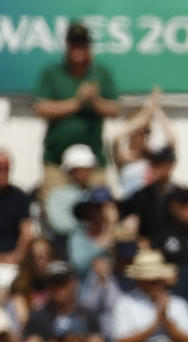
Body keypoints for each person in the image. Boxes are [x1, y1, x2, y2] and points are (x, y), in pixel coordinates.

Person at [32, 22, 120, 199]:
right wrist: (76, 103)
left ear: (89, 46)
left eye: (82, 44)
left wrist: (95, 101)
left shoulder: (101, 73)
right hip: (57, 161)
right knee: (56, 212)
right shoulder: (52, 72)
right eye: (74, 43)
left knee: (100, 209)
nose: (77, 49)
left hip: (93, 163)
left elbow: (115, 109)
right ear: (67, 45)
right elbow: (41, 107)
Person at [22, 260, 112, 342]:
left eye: (63, 282)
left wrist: (79, 341)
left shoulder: (87, 313)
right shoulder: (38, 315)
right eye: (53, 283)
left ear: (74, 283)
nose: (58, 288)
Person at [109, 250, 188, 342]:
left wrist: (166, 321)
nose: (154, 284)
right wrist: (154, 325)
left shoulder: (178, 304)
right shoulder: (125, 304)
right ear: (139, 281)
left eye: (156, 280)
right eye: (148, 280)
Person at [112, 87, 177, 199]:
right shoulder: (124, 156)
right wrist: (145, 114)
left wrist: (156, 110)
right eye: (138, 133)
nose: (142, 137)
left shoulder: (152, 154)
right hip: (131, 204)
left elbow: (172, 140)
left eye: (146, 133)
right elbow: (116, 138)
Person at [0, 149, 35, 265]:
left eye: (6, 168)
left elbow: (27, 232)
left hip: (14, 257)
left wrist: (16, 257)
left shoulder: (19, 196)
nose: (4, 172)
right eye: (0, 167)